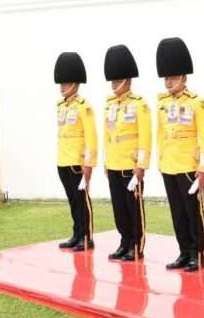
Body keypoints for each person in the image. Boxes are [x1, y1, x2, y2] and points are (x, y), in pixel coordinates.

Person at [156, 37, 204, 273]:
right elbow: (161, 134)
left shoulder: (197, 103)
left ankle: (197, 254)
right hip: (169, 165)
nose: (168, 81)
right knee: (177, 213)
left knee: (192, 213)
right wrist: (160, 161)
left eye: (173, 77)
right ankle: (184, 252)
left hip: (189, 166)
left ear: (184, 77)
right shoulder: (161, 103)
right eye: (166, 77)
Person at [101, 44, 151, 261]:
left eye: (117, 80)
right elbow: (107, 135)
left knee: (133, 209)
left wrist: (141, 165)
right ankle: (125, 242)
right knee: (119, 209)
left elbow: (145, 136)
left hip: (131, 166)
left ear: (128, 80)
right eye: (112, 81)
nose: (114, 85)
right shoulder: (109, 105)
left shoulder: (139, 105)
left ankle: (136, 245)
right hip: (113, 163)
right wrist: (105, 161)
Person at [54, 51, 97, 252]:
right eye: (61, 83)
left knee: (81, 201)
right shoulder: (60, 106)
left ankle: (86, 237)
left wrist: (89, 163)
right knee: (72, 201)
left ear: (75, 83)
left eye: (66, 83)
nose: (62, 86)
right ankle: (77, 234)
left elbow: (91, 137)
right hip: (63, 160)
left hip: (77, 161)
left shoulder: (83, 107)